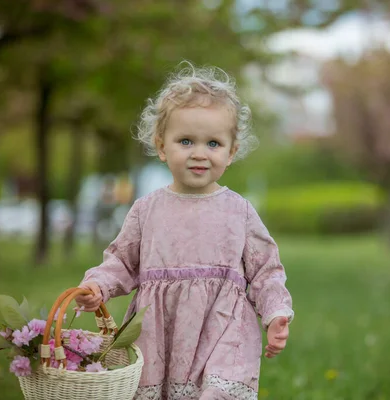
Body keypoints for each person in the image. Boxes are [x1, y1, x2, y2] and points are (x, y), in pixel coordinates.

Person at [75, 62, 294, 400]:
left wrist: (276, 313)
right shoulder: (147, 209)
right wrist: (98, 285)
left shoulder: (239, 211)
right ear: (162, 147)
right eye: (186, 141)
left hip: (223, 330)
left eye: (213, 144)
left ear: (232, 152)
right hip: (159, 333)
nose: (199, 154)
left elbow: (266, 270)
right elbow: (122, 261)